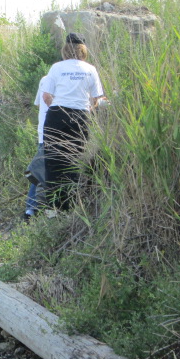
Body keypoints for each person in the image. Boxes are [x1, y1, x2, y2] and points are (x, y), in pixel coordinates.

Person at [41, 33, 105, 211]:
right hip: (80, 117)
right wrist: (86, 109)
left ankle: (53, 209)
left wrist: (56, 107)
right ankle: (71, 207)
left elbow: (46, 95)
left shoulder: (56, 67)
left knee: (53, 160)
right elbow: (95, 99)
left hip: (56, 115)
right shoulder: (90, 69)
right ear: (83, 50)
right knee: (74, 160)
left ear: (65, 50)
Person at [24, 76, 49, 221]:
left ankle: (31, 210)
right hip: (57, 134)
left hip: (43, 133)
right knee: (41, 172)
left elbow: (39, 105)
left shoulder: (44, 79)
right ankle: (33, 209)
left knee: (40, 172)